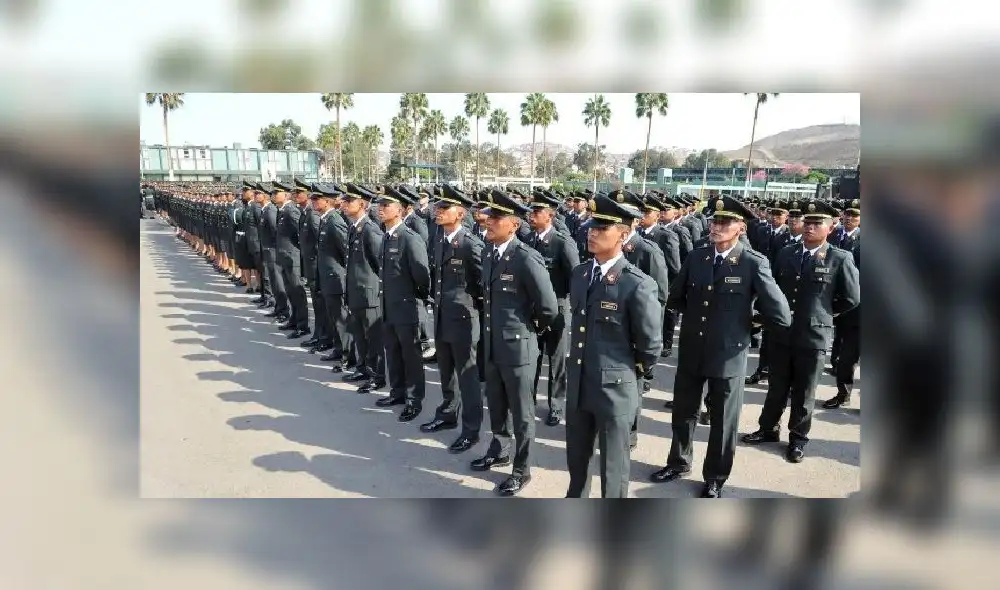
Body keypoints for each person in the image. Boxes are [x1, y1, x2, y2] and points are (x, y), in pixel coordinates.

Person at [649, 194, 791, 498]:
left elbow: (780, 313)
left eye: (724, 222)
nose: (716, 226)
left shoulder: (753, 263)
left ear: (740, 227)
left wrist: (748, 323)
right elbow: (675, 298)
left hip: (728, 354)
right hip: (692, 349)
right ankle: (678, 461)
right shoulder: (697, 257)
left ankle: (715, 476)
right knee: (684, 412)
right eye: (714, 220)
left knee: (723, 421)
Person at [741, 199, 860, 462]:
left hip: (813, 335)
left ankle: (798, 438)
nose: (809, 227)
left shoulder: (840, 258)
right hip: (782, 333)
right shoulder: (787, 252)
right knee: (777, 387)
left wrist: (824, 313)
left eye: (817, 223)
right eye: (807, 223)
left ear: (830, 228)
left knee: (804, 392)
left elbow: (851, 298)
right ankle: (768, 428)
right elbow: (773, 289)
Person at [565, 194, 662, 498]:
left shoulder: (637, 283)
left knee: (613, 468)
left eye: (602, 228)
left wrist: (631, 374)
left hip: (614, 388)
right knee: (577, 461)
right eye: (592, 227)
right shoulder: (581, 273)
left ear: (622, 234)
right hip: (580, 382)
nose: (592, 233)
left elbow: (650, 344)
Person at [472, 189, 559, 497]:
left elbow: (549, 306)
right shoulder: (488, 251)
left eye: (496, 218)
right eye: (489, 216)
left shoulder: (525, 257)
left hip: (519, 348)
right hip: (493, 345)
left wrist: (530, 329)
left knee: (522, 413)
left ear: (514, 224)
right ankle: (499, 448)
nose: (488, 221)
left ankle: (521, 470)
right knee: (496, 403)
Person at [419, 185, 486, 452]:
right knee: (445, 370)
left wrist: (472, 309)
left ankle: (471, 429)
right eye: (438, 207)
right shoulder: (439, 238)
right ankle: (447, 413)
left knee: (467, 376)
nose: (438, 211)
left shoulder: (470, 244)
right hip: (443, 315)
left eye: (444, 208)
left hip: (464, 319)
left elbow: (483, 286)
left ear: (459, 214)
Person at [371, 186, 432, 422]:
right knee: (393, 352)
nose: (381, 209)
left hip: (407, 307)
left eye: (386, 206)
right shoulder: (386, 236)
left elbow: (422, 275)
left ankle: (414, 399)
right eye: (380, 205)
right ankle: (397, 392)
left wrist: (416, 298)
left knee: (411, 355)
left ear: (400, 210)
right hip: (389, 305)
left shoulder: (409, 238)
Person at [522, 190, 580, 426]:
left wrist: (569, 307)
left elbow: (575, 278)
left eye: (537, 212)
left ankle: (555, 404)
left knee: (556, 359)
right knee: (532, 356)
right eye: (531, 211)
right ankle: (529, 398)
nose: (531, 216)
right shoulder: (529, 240)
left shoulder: (562, 243)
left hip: (556, 309)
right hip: (532, 308)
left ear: (551, 215)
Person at [341, 183, 386, 393]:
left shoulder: (370, 229)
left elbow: (380, 265)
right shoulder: (354, 226)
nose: (345, 204)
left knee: (374, 338)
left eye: (350, 201)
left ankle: (378, 375)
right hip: (356, 292)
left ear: (363, 204)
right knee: (359, 334)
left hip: (369, 295)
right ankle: (363, 368)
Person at [311, 184, 352, 368]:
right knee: (334, 317)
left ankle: (347, 355)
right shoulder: (325, 220)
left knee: (341, 319)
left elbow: (346, 252)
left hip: (336, 278)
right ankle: (338, 348)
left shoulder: (335, 221)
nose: (313, 202)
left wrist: (342, 276)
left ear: (327, 201)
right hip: (327, 277)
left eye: (316, 199)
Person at [273, 181, 310, 339]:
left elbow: (300, 234)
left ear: (285, 195)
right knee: (290, 291)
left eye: (277, 193)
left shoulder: (290, 211)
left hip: (292, 257)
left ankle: (303, 325)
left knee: (297, 291)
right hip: (285, 257)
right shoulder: (282, 210)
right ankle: (294, 320)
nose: (273, 195)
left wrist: (297, 254)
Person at [259, 183, 289, 323]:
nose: (274, 195)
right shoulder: (267, 209)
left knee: (278, 282)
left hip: (273, 250)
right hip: (269, 250)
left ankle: (283, 309)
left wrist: (275, 249)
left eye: (277, 193)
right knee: (274, 281)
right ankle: (279, 307)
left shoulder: (270, 210)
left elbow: (274, 231)